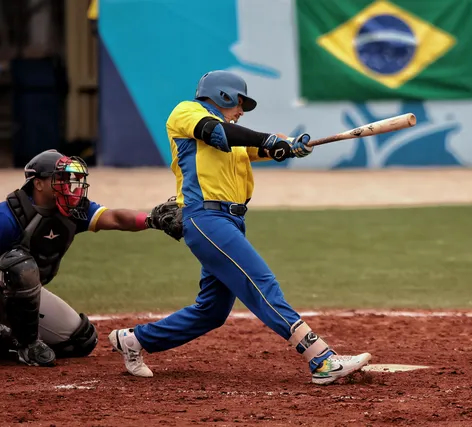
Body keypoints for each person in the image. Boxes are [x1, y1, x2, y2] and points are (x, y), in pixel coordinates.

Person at [110, 70, 371, 385]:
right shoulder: (187, 112)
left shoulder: (233, 135)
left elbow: (257, 148)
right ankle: (321, 359)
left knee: (212, 311)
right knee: (260, 282)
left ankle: (135, 340)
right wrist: (267, 140)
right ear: (223, 95)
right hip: (207, 220)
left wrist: (289, 146)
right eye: (240, 102)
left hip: (231, 221)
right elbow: (216, 132)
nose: (242, 110)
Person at [0, 149, 182, 367]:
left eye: (71, 179)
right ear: (38, 183)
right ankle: (26, 346)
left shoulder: (72, 210)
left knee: (80, 341)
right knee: (20, 267)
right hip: (6, 286)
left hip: (20, 295)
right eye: (61, 179)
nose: (69, 185)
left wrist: (151, 220)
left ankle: (6, 341)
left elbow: (114, 218)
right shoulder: (9, 216)